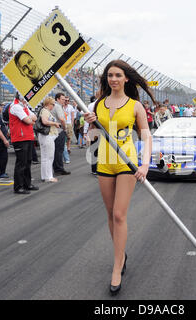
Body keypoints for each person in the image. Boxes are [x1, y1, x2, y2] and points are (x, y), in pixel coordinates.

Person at [84, 59, 154, 296]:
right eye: (110, 75)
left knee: (118, 214)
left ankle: (117, 266)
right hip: (104, 161)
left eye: (117, 75)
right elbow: (92, 137)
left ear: (126, 79)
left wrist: (145, 164)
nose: (113, 79)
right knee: (109, 214)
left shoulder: (135, 106)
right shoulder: (98, 105)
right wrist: (89, 125)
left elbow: (146, 136)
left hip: (127, 163)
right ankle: (121, 255)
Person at [9, 93, 39, 194]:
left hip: (28, 137)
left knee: (28, 162)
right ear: (21, 98)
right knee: (21, 163)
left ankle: (27, 184)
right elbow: (27, 120)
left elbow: (34, 117)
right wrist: (30, 120)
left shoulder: (24, 106)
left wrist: (30, 120)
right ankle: (18, 187)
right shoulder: (16, 106)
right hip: (20, 138)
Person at [38, 97, 60, 183]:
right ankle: (49, 176)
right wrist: (55, 123)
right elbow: (44, 121)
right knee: (49, 157)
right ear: (48, 104)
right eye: (53, 104)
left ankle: (45, 176)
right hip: (48, 135)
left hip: (46, 136)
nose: (53, 106)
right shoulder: (45, 111)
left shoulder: (44, 111)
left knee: (45, 157)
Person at [51, 93, 70, 176]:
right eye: (62, 99)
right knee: (59, 151)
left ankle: (57, 168)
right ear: (58, 99)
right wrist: (64, 128)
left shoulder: (55, 106)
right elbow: (61, 119)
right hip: (59, 130)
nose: (64, 101)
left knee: (56, 151)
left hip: (55, 131)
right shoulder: (58, 106)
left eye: (65, 99)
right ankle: (59, 169)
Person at [63, 96, 75, 161]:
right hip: (63, 123)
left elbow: (72, 116)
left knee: (69, 137)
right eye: (65, 100)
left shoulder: (70, 107)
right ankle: (64, 148)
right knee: (64, 136)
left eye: (68, 100)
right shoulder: (61, 106)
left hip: (69, 123)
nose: (67, 102)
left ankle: (68, 148)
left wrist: (72, 123)